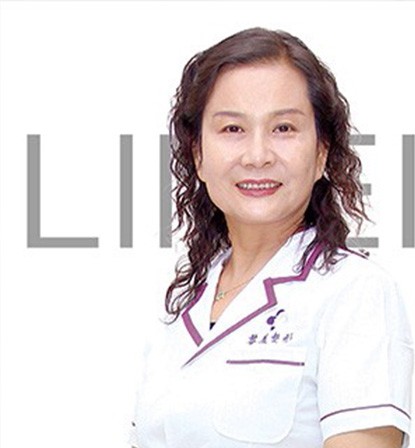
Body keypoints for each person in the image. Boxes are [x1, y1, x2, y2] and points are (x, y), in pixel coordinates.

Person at [129, 28, 413, 448]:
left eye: (283, 128)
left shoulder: (355, 293)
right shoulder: (183, 306)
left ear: (321, 153)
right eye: (232, 129)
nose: (257, 155)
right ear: (198, 155)